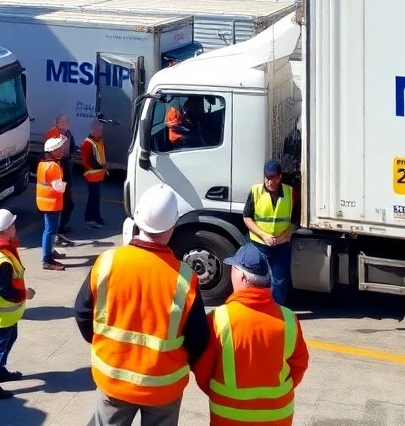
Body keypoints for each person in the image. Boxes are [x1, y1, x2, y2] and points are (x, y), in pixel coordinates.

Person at [75, 184, 210, 426]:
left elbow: (82, 313)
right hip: (163, 387)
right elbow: (199, 339)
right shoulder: (185, 278)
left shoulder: (107, 262)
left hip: (113, 379)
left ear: (136, 218)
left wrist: (105, 345)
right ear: (172, 226)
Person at [193, 244, 309, 426]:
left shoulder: (219, 319)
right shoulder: (288, 319)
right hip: (278, 416)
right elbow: (299, 366)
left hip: (229, 416)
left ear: (242, 277)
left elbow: (202, 370)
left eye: (233, 269)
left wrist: (220, 395)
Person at [0, 208, 37, 401]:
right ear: (5, 231)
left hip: (7, 312)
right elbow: (5, 290)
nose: (15, 227)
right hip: (1, 312)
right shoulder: (2, 259)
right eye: (12, 225)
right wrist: (25, 294)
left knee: (10, 338)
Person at [242, 158, 298, 306]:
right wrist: (264, 235)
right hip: (259, 244)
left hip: (281, 244)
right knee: (255, 278)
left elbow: (295, 222)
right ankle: (257, 309)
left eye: (272, 177)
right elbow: (247, 217)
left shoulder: (290, 193)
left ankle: (277, 311)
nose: (268, 181)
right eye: (266, 177)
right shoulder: (256, 191)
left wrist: (285, 236)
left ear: (279, 177)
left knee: (279, 281)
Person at [44, 114, 77, 245]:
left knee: (68, 205)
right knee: (66, 205)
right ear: (57, 123)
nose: (66, 124)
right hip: (59, 176)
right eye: (64, 122)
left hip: (65, 173)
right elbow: (51, 152)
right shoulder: (52, 135)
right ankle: (59, 232)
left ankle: (60, 229)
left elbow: (71, 151)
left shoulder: (68, 134)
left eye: (67, 121)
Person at [36, 136, 68, 271]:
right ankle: (47, 259)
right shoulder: (54, 166)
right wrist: (66, 184)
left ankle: (50, 251)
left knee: (49, 230)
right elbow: (59, 188)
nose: (61, 151)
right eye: (58, 149)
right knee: (50, 231)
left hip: (44, 202)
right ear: (51, 151)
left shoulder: (42, 163)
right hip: (52, 203)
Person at [81, 120, 107, 228]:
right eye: (99, 129)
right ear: (93, 130)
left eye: (101, 128)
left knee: (96, 198)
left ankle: (96, 217)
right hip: (91, 176)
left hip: (98, 175)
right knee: (93, 198)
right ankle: (89, 219)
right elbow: (89, 161)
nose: (101, 131)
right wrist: (102, 166)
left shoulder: (99, 140)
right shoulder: (87, 143)